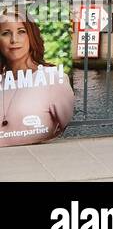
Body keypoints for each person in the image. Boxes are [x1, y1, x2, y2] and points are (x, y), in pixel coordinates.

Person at [0, 8, 75, 146]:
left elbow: (67, 125)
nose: (14, 40)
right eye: (6, 33)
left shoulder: (53, 78)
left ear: (31, 36)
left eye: (21, 32)